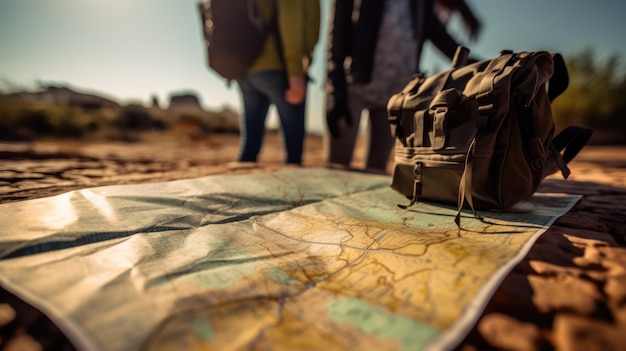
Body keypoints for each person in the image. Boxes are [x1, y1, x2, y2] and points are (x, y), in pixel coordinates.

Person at [325, 0, 481, 173]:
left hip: (396, 96)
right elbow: (337, 33)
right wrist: (335, 90)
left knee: (376, 170)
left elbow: (440, 35)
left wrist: (476, 65)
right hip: (352, 90)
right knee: (337, 168)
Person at [235, 0, 320, 165]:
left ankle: (236, 189)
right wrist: (296, 71)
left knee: (249, 145)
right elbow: (291, 22)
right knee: (293, 149)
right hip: (278, 68)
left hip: (245, 69)